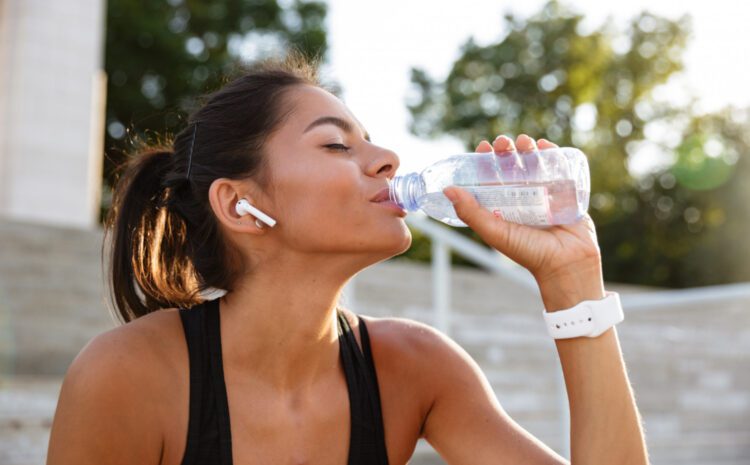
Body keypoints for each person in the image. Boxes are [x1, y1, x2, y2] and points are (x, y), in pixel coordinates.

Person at [46, 53, 649, 465]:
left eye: (370, 138)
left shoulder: (416, 370)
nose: (387, 157)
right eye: (336, 144)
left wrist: (573, 283)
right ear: (240, 205)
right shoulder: (130, 376)